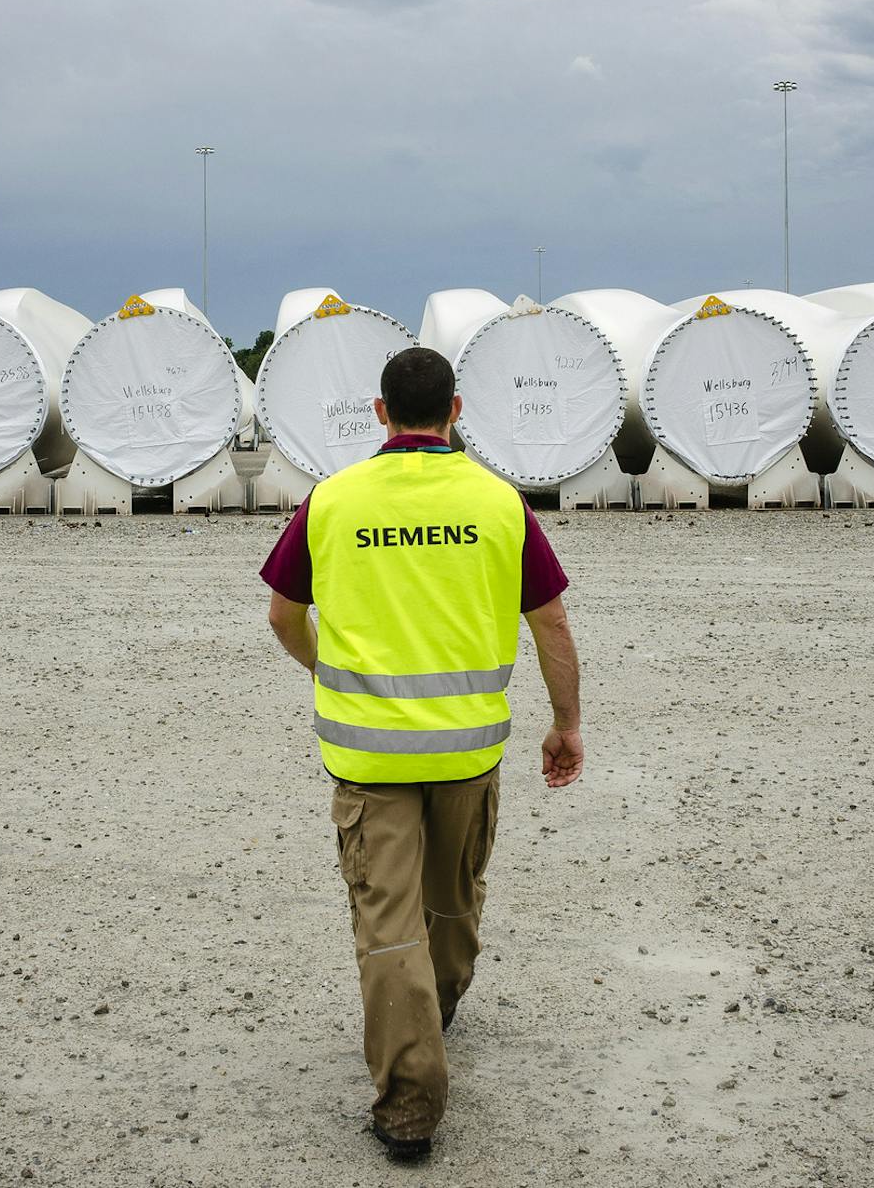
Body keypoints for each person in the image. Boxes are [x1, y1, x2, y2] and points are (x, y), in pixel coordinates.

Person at [261, 346, 585, 1163]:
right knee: (452, 896)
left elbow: (281, 614)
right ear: (457, 408)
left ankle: (410, 1104)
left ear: (379, 413)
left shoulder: (331, 502)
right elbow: (550, 621)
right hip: (468, 753)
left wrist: (326, 671)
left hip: (369, 758)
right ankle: (436, 1006)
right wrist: (566, 722)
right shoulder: (500, 502)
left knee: (386, 917)